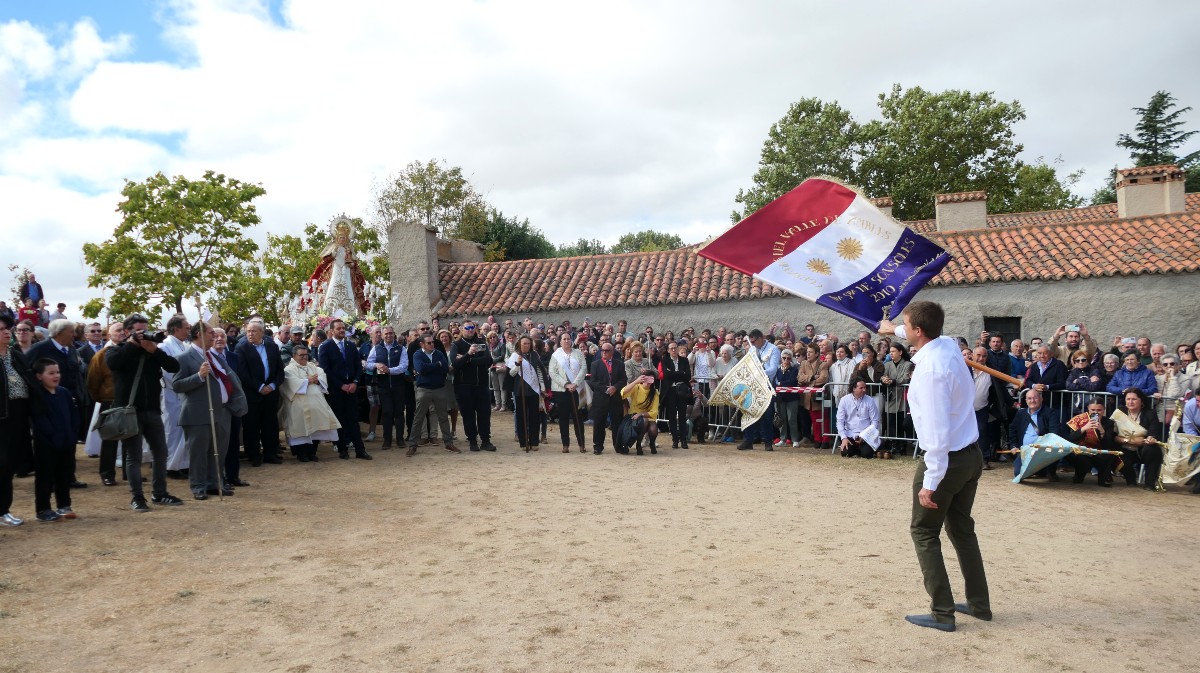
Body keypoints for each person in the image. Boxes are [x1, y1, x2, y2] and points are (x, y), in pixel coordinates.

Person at [879, 301, 990, 632]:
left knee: (924, 530)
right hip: (970, 455)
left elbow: (937, 435)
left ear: (918, 332)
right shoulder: (949, 344)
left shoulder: (929, 372)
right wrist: (891, 329)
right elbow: (916, 330)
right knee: (960, 528)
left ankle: (942, 612)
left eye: (906, 325)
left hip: (948, 459)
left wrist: (930, 482)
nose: (903, 327)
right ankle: (979, 605)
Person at [107, 314, 185, 512]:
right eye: (138, 330)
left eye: (145, 329)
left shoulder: (152, 351)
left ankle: (160, 493)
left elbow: (174, 366)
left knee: (161, 453)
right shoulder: (116, 350)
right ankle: (137, 497)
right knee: (134, 456)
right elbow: (114, 364)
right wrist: (132, 344)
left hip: (152, 409)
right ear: (127, 332)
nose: (143, 334)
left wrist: (154, 351)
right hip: (129, 411)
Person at [171, 322, 247, 499]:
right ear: (199, 334)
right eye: (211, 333)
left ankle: (214, 483)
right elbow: (177, 385)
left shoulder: (214, 357)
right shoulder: (184, 358)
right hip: (198, 414)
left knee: (218, 451)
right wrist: (198, 376)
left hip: (221, 412)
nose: (215, 336)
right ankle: (198, 486)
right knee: (199, 453)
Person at [26, 318, 90, 485]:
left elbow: (76, 374)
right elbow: (27, 370)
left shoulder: (71, 350)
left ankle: (68, 477)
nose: (74, 335)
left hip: (70, 401)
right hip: (47, 403)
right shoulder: (40, 348)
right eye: (71, 331)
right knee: (50, 440)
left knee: (70, 438)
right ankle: (51, 479)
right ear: (59, 333)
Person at [0, 315, 37, 525]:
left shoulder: (14, 354)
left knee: (10, 465)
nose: (7, 332)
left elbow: (29, 379)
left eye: (8, 328)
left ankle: (3, 510)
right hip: (1, 417)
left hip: (18, 415)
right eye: (2, 329)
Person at [317, 319, 372, 460]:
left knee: (354, 420)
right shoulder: (325, 346)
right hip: (336, 390)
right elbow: (325, 369)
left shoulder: (351, 345)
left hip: (351, 389)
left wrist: (354, 382)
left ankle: (360, 450)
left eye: (343, 328)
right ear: (331, 331)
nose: (342, 330)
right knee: (340, 420)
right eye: (339, 328)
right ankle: (342, 449)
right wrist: (340, 385)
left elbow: (358, 366)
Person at [279, 344, 341, 463]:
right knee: (301, 430)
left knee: (316, 430)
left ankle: (312, 452)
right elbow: (291, 384)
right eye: (301, 355)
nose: (304, 357)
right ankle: (301, 454)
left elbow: (321, 374)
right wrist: (308, 380)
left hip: (316, 404)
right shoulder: (289, 369)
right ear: (294, 356)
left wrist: (316, 380)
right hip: (298, 405)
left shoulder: (312, 366)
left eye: (305, 355)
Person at [235, 321, 286, 465]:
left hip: (270, 393)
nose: (250, 334)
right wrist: (259, 387)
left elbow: (280, 370)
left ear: (262, 333)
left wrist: (273, 385)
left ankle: (270, 453)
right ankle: (254, 455)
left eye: (253, 331)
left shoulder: (272, 346)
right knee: (251, 425)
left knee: (270, 424)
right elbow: (242, 373)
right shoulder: (241, 348)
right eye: (248, 331)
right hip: (252, 394)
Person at [303, 218, 370, 317]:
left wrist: (351, 264)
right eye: (340, 237)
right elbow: (325, 260)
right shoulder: (333, 248)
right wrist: (333, 254)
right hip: (335, 270)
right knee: (331, 286)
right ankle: (326, 311)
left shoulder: (349, 250)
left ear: (346, 239)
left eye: (344, 238)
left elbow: (354, 264)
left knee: (348, 288)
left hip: (346, 272)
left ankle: (351, 311)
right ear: (337, 238)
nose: (342, 240)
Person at [407, 332, 459, 456]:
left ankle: (448, 443)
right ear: (422, 344)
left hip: (439, 388)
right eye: (429, 343)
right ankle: (412, 445)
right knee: (418, 418)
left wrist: (431, 368)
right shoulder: (417, 354)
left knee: (443, 417)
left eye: (432, 342)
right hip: (423, 389)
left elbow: (445, 368)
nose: (432, 344)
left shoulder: (439, 353)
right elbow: (421, 369)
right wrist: (437, 365)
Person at [449, 321, 495, 452]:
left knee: (484, 414)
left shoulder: (481, 343)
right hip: (464, 386)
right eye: (467, 328)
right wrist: (468, 354)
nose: (470, 330)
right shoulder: (456, 345)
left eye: (472, 327)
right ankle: (472, 440)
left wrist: (467, 360)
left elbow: (488, 361)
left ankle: (485, 440)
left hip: (481, 385)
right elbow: (455, 363)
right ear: (462, 329)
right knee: (468, 414)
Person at [366, 326, 410, 451]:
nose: (389, 336)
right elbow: (368, 364)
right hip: (383, 386)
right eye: (386, 334)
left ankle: (400, 439)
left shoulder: (401, 349)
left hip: (398, 386)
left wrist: (389, 370)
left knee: (399, 413)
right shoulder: (376, 348)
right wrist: (376, 365)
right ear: (382, 335)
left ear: (394, 334)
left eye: (391, 333)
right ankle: (387, 439)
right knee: (386, 413)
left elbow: (404, 366)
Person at [158, 314, 192, 478]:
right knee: (172, 430)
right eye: (186, 328)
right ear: (176, 329)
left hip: (185, 394)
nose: (188, 331)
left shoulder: (184, 345)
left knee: (184, 430)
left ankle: (183, 463)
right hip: (171, 394)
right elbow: (166, 372)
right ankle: (170, 466)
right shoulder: (165, 347)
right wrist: (185, 383)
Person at [1111, 388, 1164, 490]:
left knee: (1153, 450)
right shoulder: (1119, 413)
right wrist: (1129, 441)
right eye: (1128, 399)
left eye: (1134, 399)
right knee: (1116, 455)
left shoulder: (1150, 413)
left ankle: (1149, 484)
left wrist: (1150, 439)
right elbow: (1111, 435)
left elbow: (1153, 432)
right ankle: (1131, 480)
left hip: (1142, 447)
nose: (1130, 402)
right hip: (1123, 446)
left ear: (1141, 400)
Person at [737, 329, 780, 450]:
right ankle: (748, 439)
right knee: (749, 411)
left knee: (767, 414)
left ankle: (767, 442)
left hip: (767, 385)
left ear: (761, 338)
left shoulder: (773, 349)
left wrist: (757, 373)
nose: (752, 343)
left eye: (754, 341)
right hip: (753, 385)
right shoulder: (752, 349)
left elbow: (773, 369)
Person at [1008, 389, 1063, 480]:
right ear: (1026, 401)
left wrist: (1043, 446)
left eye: (1035, 398)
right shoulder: (1021, 413)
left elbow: (1054, 432)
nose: (1032, 401)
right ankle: (1037, 470)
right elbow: (1012, 429)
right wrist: (1014, 445)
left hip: (1043, 451)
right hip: (1025, 451)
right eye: (1029, 398)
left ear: (1041, 399)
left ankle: (1046, 470)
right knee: (1018, 473)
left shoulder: (1050, 413)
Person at [507, 335, 549, 452]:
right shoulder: (515, 356)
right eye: (524, 343)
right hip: (520, 390)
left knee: (534, 417)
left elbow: (540, 371)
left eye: (528, 343)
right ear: (519, 344)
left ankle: (534, 441)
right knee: (521, 417)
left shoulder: (534, 355)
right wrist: (517, 365)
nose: (526, 345)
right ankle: (523, 441)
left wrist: (543, 387)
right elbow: (510, 374)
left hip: (534, 390)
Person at [1064, 397, 1118, 486]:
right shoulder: (1080, 419)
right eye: (1093, 410)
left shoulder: (1109, 423)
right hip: (1081, 450)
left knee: (1108, 456)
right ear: (1088, 409)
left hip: (1098, 450)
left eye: (1099, 410)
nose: (1096, 412)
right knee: (1082, 460)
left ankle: (1103, 480)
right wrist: (1084, 428)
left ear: (1104, 410)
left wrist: (1101, 431)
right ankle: (1078, 477)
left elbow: (1108, 444)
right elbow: (1071, 438)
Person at [548, 333, 587, 453]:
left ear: (571, 340)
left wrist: (575, 383)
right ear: (560, 342)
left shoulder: (578, 353)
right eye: (564, 339)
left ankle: (581, 444)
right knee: (563, 417)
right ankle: (565, 444)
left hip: (577, 388)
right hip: (561, 390)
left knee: (578, 417)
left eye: (568, 339)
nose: (566, 341)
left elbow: (584, 368)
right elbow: (552, 372)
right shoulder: (555, 355)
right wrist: (566, 384)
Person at [588, 342, 626, 454]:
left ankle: (618, 446)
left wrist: (615, 387)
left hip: (615, 398)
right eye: (602, 350)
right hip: (600, 398)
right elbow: (593, 381)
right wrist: (606, 389)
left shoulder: (619, 364)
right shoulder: (595, 364)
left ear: (612, 352)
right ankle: (598, 446)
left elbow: (623, 380)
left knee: (617, 423)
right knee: (599, 423)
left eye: (607, 350)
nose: (604, 352)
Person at [880, 344, 914, 457]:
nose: (891, 353)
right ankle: (894, 444)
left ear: (900, 352)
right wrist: (884, 379)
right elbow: (884, 375)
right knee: (891, 422)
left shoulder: (907, 364)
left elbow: (905, 378)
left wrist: (892, 381)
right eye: (890, 351)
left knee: (901, 422)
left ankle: (902, 445)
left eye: (893, 351)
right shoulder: (888, 364)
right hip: (891, 397)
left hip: (902, 397)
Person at [660, 340, 692, 449]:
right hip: (670, 391)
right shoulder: (665, 360)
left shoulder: (684, 360)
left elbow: (687, 375)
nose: (674, 350)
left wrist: (675, 374)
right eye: (671, 348)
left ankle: (683, 440)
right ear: (668, 350)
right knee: (672, 417)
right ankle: (675, 439)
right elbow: (666, 375)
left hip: (682, 391)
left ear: (678, 349)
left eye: (675, 348)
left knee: (682, 416)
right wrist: (680, 373)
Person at [836, 378, 880, 458]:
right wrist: (843, 438)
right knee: (846, 453)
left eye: (865, 387)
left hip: (866, 436)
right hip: (850, 434)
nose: (864, 390)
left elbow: (875, 421)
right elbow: (840, 421)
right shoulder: (844, 400)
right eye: (861, 388)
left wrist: (865, 435)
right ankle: (856, 449)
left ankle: (865, 448)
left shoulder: (870, 400)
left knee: (866, 455)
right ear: (853, 388)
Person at [621, 370, 661, 454]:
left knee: (653, 429)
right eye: (646, 378)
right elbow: (623, 392)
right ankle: (638, 444)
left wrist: (642, 414)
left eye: (651, 379)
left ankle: (652, 443)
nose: (648, 382)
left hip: (647, 416)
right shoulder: (636, 387)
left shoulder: (655, 392)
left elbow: (654, 412)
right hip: (634, 416)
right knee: (644, 421)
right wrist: (636, 381)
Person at [773, 349, 801, 448]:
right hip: (780, 398)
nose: (786, 360)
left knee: (791, 419)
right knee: (781, 419)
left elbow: (792, 382)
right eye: (784, 358)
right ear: (781, 358)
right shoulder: (777, 370)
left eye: (788, 358)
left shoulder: (794, 370)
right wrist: (781, 384)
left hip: (792, 398)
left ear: (791, 359)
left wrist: (781, 383)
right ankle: (782, 439)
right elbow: (774, 382)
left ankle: (795, 439)